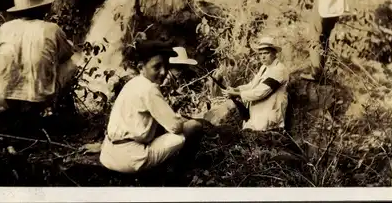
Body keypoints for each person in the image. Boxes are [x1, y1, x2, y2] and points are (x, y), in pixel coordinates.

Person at [99, 40, 203, 174]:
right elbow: (175, 127)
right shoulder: (149, 89)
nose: (163, 72)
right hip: (131, 159)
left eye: (165, 66)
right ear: (141, 67)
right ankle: (179, 174)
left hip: (109, 155)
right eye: (157, 67)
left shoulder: (133, 83)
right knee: (194, 127)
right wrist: (181, 120)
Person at [0, 0, 80, 125]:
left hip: (5, 94)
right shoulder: (51, 28)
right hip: (39, 96)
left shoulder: (5, 28)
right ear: (42, 8)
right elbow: (67, 56)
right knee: (71, 62)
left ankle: (12, 107)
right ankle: (50, 107)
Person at [222, 37, 289, 131]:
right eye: (260, 54)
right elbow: (252, 85)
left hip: (269, 116)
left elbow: (261, 92)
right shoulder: (264, 67)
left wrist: (237, 94)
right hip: (257, 114)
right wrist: (235, 89)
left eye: (266, 53)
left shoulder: (278, 70)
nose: (263, 57)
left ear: (274, 53)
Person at [160, 47, 198, 113]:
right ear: (170, 66)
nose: (181, 70)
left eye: (183, 67)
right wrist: (177, 93)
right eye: (178, 67)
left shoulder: (182, 76)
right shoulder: (165, 79)